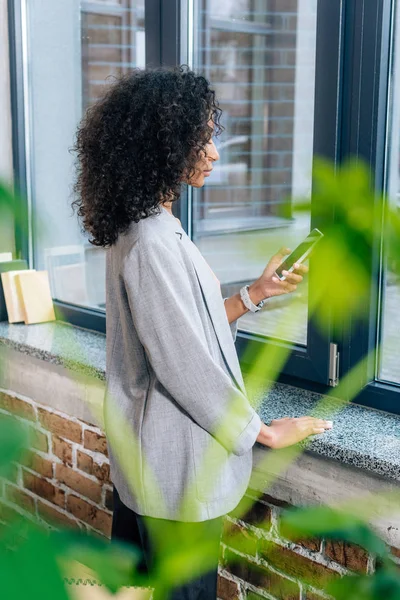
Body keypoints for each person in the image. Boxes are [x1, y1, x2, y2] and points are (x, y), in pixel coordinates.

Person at [72, 66, 332, 600]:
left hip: (149, 468)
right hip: (174, 477)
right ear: (164, 145)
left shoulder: (143, 227)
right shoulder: (153, 242)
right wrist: (263, 433)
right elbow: (185, 363)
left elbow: (178, 327)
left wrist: (253, 295)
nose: (214, 152)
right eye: (204, 139)